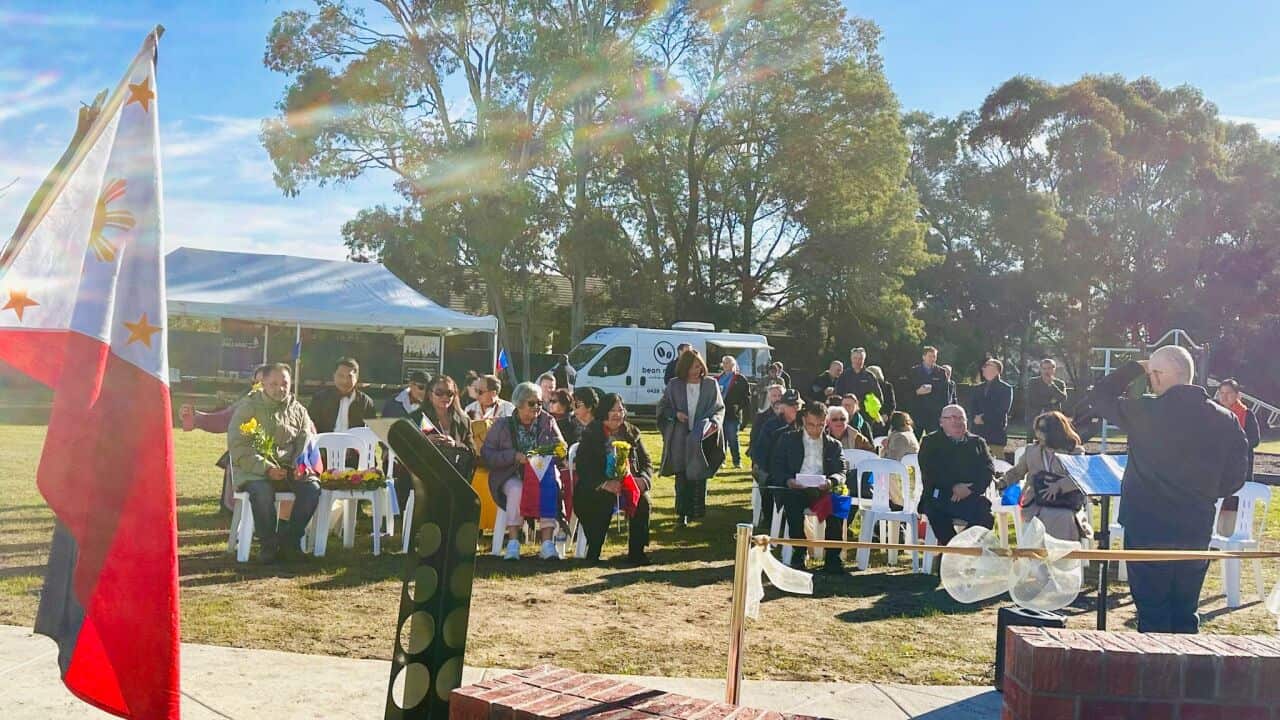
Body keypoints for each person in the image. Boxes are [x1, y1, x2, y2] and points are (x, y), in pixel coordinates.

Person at [1080, 347, 1249, 633]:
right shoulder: (1225, 419)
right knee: (1185, 610)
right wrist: (1205, 492)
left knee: (1152, 611)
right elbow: (1236, 477)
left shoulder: (1144, 410)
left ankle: (1154, 674)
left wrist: (1135, 367)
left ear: (1157, 375)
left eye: (1152, 375)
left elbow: (1100, 395)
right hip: (1194, 522)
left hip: (1146, 522)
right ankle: (1187, 671)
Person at [227, 364, 322, 563]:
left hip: (288, 469)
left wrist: (299, 465)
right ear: (263, 384)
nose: (280, 388)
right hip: (255, 470)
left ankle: (291, 540)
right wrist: (267, 468)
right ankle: (268, 545)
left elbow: (304, 441)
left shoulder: (298, 409)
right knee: (261, 492)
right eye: (274, 384)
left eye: (285, 383)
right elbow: (239, 447)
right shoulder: (248, 408)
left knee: (312, 489)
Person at [481, 382, 567, 561]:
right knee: (516, 490)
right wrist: (514, 456)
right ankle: (513, 542)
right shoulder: (502, 425)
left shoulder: (547, 421)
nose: (537, 407)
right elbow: (487, 454)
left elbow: (562, 448)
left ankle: (547, 543)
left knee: (549, 485)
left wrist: (543, 452)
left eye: (540, 403)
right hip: (510, 474)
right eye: (532, 403)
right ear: (519, 404)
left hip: (542, 472)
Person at [573, 393, 654, 564]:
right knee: (601, 500)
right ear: (604, 412)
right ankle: (594, 550)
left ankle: (636, 553)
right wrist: (604, 484)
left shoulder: (632, 432)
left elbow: (646, 461)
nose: (618, 414)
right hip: (599, 486)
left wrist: (643, 480)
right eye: (613, 410)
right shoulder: (592, 433)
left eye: (621, 410)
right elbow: (583, 466)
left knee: (643, 500)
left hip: (628, 484)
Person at [770, 401, 849, 572]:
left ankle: (833, 558)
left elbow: (841, 471)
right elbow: (776, 467)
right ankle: (800, 551)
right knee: (793, 504)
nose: (815, 429)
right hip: (797, 488)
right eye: (812, 425)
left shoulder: (833, 445)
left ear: (825, 422)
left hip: (822, 489)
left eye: (820, 425)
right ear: (804, 420)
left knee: (838, 503)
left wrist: (831, 481)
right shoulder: (788, 439)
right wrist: (788, 480)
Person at [180, 364, 269, 514]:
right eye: (255, 383)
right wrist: (196, 418)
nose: (259, 388)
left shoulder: (292, 407)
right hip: (247, 462)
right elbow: (222, 419)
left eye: (264, 384)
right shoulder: (245, 404)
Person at [995, 411, 1089, 541]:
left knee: (1062, 518)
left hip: (1065, 503)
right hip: (1035, 503)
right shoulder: (1031, 451)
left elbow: (1080, 477)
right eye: (1037, 429)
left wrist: (1059, 486)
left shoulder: (1074, 451)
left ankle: (1062, 557)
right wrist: (1002, 482)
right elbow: (1017, 472)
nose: (1038, 433)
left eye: (1043, 429)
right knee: (1033, 519)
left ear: (1056, 430)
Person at [658, 349, 726, 526]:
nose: (695, 371)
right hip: (680, 437)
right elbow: (663, 408)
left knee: (698, 474)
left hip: (700, 438)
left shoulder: (711, 384)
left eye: (697, 366)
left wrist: (714, 423)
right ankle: (682, 514)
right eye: (691, 367)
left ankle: (697, 510)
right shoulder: (674, 385)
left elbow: (719, 409)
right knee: (681, 477)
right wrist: (676, 414)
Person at [917, 404, 996, 546]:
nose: (957, 422)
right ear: (942, 422)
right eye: (952, 418)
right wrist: (953, 486)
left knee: (985, 514)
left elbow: (988, 470)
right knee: (935, 513)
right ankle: (953, 552)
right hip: (940, 495)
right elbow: (930, 471)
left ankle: (963, 549)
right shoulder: (930, 442)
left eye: (961, 418)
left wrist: (970, 489)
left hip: (969, 495)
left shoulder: (977, 443)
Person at [400, 375, 477, 511]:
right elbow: (405, 449)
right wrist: (424, 442)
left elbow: (473, 452)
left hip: (454, 474)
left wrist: (455, 445)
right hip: (424, 472)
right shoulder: (415, 418)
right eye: (439, 393)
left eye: (450, 393)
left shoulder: (464, 421)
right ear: (430, 395)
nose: (445, 397)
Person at [1214, 379, 1262, 535]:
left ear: (1237, 395)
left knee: (1235, 505)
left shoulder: (1247, 414)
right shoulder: (1213, 412)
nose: (1224, 397)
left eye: (1228, 393)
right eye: (1221, 393)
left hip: (1239, 468)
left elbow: (1254, 440)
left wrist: (1234, 445)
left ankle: (1230, 534)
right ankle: (1215, 537)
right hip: (1217, 469)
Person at [748, 384, 786, 528]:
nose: (777, 398)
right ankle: (769, 515)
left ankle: (784, 514)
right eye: (774, 396)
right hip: (763, 459)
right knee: (765, 477)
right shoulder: (761, 417)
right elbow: (755, 443)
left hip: (784, 461)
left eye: (779, 395)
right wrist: (758, 462)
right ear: (769, 398)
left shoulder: (791, 417)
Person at [308, 357, 377, 433]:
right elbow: (310, 426)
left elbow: (372, 432)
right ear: (334, 376)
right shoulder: (320, 399)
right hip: (326, 442)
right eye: (341, 376)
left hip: (354, 443)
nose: (345, 381)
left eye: (349, 376)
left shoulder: (366, 402)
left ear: (356, 378)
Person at [971, 359, 1014, 459]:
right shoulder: (978, 388)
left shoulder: (1005, 389)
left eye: (987, 365)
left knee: (999, 463)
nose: (983, 368)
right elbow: (972, 407)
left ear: (996, 370)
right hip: (978, 431)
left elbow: (1003, 409)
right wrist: (974, 418)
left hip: (995, 431)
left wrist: (984, 418)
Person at [835, 348, 882, 428]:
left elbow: (878, 397)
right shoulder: (844, 375)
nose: (857, 361)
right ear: (851, 359)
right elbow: (837, 394)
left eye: (860, 358)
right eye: (855, 358)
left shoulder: (870, 376)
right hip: (846, 415)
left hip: (865, 416)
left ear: (864, 360)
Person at [718, 355, 751, 468]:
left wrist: (738, 406)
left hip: (733, 414)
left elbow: (747, 397)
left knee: (732, 438)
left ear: (734, 365)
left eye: (730, 363)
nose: (727, 365)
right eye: (725, 363)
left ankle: (736, 461)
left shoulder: (740, 379)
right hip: (719, 414)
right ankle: (721, 461)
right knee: (721, 439)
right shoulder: (718, 379)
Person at [909, 347, 950, 437]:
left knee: (934, 440)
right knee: (914, 439)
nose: (932, 359)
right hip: (917, 413)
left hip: (934, 414)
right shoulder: (914, 371)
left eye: (934, 356)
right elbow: (907, 391)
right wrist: (917, 392)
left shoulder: (941, 372)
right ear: (923, 357)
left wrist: (945, 414)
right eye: (930, 356)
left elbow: (945, 394)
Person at [865, 365, 896, 435]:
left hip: (882, 416)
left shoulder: (887, 386)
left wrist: (886, 414)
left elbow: (891, 403)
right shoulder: (864, 386)